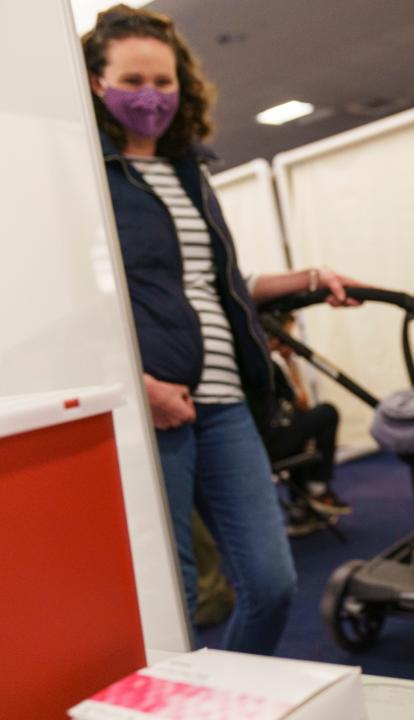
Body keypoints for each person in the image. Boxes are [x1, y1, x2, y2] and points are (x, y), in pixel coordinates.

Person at [82, 4, 361, 654]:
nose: (151, 96)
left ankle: (226, 692)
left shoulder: (190, 172)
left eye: (163, 81)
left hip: (227, 400)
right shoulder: (92, 180)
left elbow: (219, 284)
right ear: (97, 83)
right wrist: (138, 385)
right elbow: (86, 309)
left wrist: (308, 277)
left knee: (270, 583)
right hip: (156, 408)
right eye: (134, 80)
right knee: (173, 599)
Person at [263, 312, 350, 537]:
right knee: (326, 413)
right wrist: (291, 362)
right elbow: (302, 403)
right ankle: (318, 487)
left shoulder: (257, 363)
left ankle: (302, 510)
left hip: (264, 442)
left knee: (300, 430)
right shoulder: (268, 365)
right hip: (269, 444)